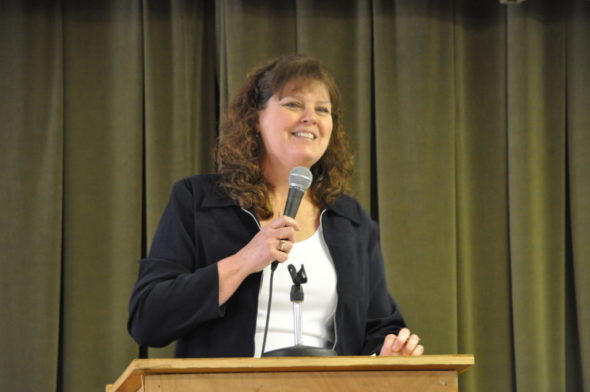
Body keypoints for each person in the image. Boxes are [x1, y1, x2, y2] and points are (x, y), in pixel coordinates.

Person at [127, 54, 424, 358]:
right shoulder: (198, 200)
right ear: (255, 119)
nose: (310, 117)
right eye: (293, 104)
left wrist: (388, 352)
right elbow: (147, 319)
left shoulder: (350, 219)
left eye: (323, 110)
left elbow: (379, 327)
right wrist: (245, 260)